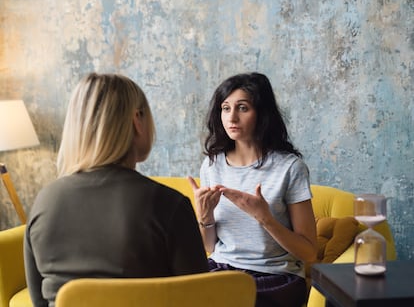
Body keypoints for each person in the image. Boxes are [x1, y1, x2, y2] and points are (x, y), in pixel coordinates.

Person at [24, 73, 209, 307]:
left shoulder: (44, 201)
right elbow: (202, 299)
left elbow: (38, 301)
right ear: (137, 120)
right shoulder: (168, 204)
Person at [188, 72, 317, 307]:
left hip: (276, 277)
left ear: (262, 113)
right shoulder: (212, 165)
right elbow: (209, 246)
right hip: (222, 270)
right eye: (225, 108)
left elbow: (309, 253)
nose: (232, 117)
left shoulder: (290, 167)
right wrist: (205, 216)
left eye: (243, 108)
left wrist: (265, 218)